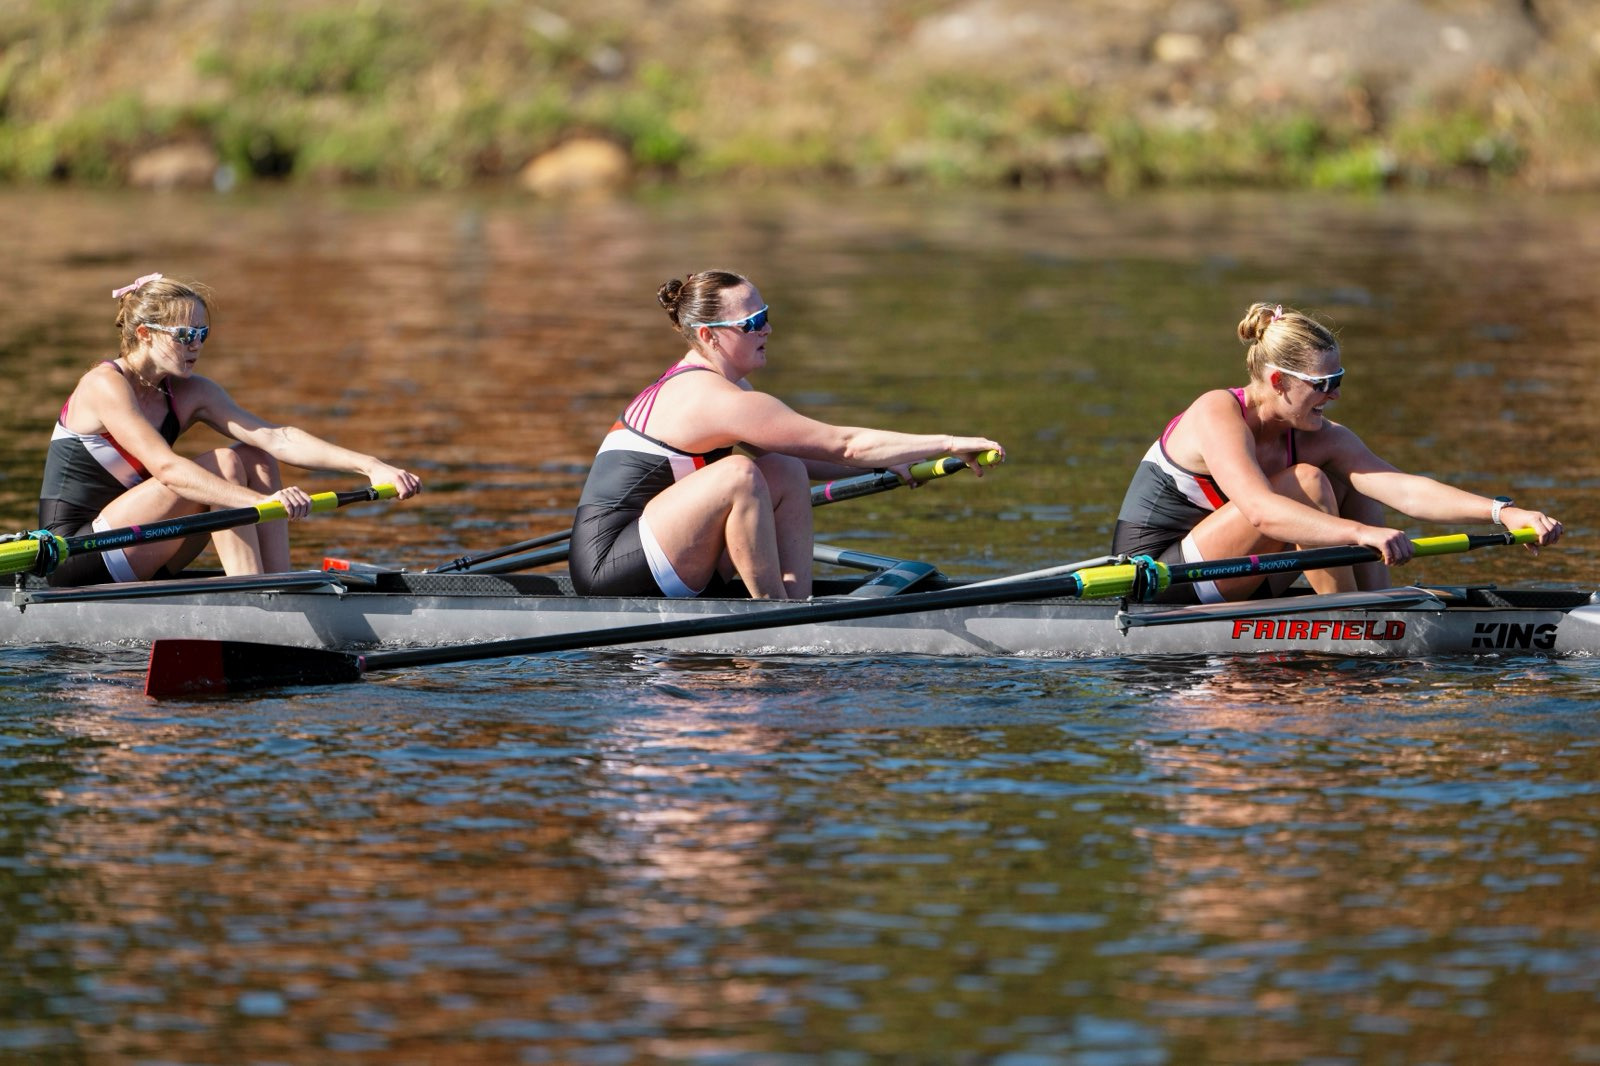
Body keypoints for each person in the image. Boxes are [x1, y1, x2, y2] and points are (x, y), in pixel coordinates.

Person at [570, 270, 1004, 601]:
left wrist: (886, 461)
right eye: (753, 322)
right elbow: (844, 444)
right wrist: (948, 443)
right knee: (739, 473)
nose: (767, 331)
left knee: (783, 466)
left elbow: (815, 453)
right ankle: (774, 614)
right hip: (611, 565)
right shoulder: (713, 398)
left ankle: (797, 605)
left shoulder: (728, 391)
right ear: (709, 336)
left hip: (660, 544)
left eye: (766, 316)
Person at [1111, 301, 1562, 603]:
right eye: (1322, 385)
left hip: (1230, 573)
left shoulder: (1320, 433)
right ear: (1277, 382)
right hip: (1158, 580)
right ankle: (1350, 621)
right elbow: (1262, 513)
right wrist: (1356, 534)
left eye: (1339, 380)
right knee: (1306, 482)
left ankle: (1379, 613)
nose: (1335, 395)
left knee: (1356, 484)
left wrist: (1502, 513)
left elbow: (1404, 490)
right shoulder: (1216, 412)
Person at [37, 272, 422, 587]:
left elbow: (277, 436)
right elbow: (168, 470)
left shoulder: (191, 393)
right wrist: (256, 504)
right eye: (185, 336)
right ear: (145, 334)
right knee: (222, 463)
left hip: (137, 544)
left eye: (202, 335)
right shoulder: (104, 384)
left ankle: (278, 587)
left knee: (255, 455)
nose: (196, 346)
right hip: (75, 554)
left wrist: (372, 466)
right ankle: (252, 599)